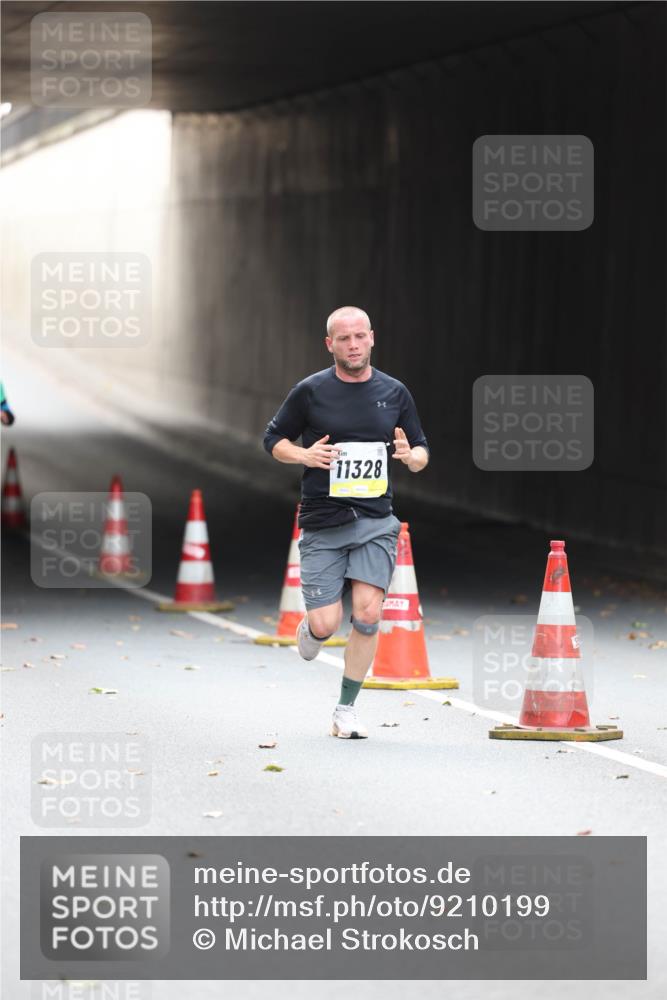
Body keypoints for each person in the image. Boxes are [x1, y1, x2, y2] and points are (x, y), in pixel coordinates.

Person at [263, 306, 429, 739]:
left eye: (359, 337)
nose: (353, 345)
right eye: (344, 339)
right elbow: (272, 440)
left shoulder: (394, 393)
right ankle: (311, 628)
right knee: (324, 624)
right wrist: (303, 455)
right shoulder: (310, 391)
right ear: (330, 344)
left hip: (376, 519)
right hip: (323, 520)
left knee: (369, 613)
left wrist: (412, 458)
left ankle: (346, 709)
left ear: (372, 338)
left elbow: (422, 449)